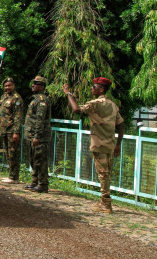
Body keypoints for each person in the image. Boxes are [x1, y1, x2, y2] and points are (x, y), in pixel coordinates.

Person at [63, 77, 124, 213]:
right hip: (109, 144)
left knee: (103, 173)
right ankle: (104, 201)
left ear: (101, 89)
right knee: (106, 173)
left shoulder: (95, 103)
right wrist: (118, 144)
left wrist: (68, 94)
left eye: (94, 87)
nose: (92, 89)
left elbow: (77, 109)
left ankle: (106, 204)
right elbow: (121, 124)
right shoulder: (112, 105)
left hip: (99, 144)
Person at [0, 77, 24, 183]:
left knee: (13, 153)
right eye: (5, 86)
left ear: (13, 86)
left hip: (12, 131)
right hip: (4, 130)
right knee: (8, 153)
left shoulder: (17, 98)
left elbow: (18, 117)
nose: (7, 87)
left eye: (9, 85)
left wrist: (16, 132)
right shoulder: (4, 97)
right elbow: (1, 111)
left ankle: (14, 177)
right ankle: (11, 175)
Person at [23, 76, 51, 193]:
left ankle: (42, 184)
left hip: (39, 137)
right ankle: (34, 182)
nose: (33, 86)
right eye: (33, 83)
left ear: (42, 87)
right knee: (33, 159)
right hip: (31, 134)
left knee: (40, 160)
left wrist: (37, 136)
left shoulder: (42, 100)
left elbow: (40, 119)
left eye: (36, 84)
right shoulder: (35, 99)